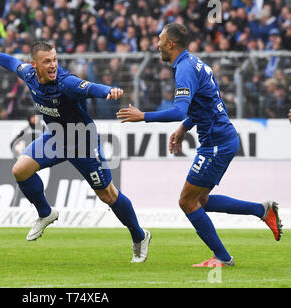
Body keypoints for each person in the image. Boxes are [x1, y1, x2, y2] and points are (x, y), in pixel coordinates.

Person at [0, 39, 151, 263]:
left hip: (82, 142)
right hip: (56, 137)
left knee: (108, 195)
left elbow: (88, 87)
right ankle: (45, 213)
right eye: (47, 61)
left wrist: (109, 91)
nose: (53, 65)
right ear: (34, 65)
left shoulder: (66, 83)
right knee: (20, 170)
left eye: (55, 59)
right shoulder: (28, 74)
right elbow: (10, 62)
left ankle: (139, 236)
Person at [116, 23, 282, 267]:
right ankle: (262, 210)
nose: (157, 44)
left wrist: (144, 116)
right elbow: (204, 101)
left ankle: (223, 258)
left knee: (187, 201)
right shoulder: (195, 63)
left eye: (160, 39)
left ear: (170, 44)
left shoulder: (184, 69)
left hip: (217, 142)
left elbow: (179, 110)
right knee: (200, 200)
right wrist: (185, 127)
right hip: (220, 139)